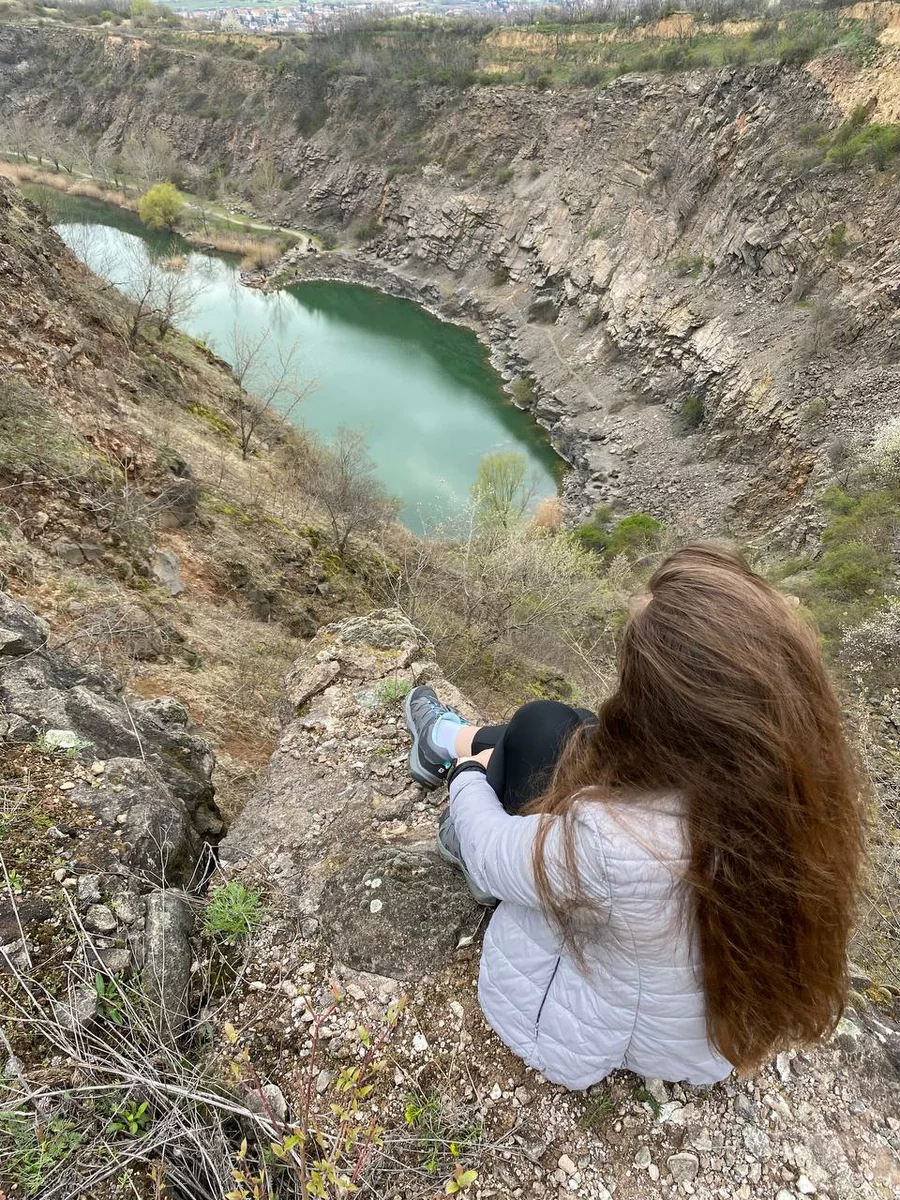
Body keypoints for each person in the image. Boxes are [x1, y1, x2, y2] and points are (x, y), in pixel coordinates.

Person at [403, 543, 865, 1090]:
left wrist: (468, 776)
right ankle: (446, 737)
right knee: (569, 725)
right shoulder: (802, 793)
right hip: (714, 1038)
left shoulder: (617, 842)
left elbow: (491, 853)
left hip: (589, 1024)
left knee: (535, 738)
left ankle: (448, 749)